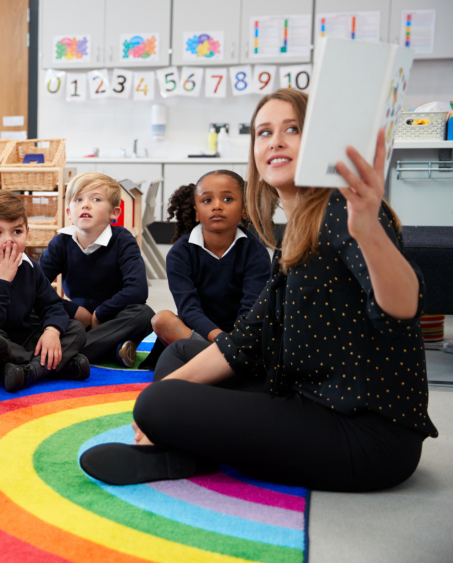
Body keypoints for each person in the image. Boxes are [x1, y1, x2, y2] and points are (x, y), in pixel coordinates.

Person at [81, 88, 437, 492]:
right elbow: (247, 341)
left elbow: (403, 309)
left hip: (365, 434)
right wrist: (169, 393)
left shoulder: (345, 211)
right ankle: (183, 448)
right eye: (264, 132)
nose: (276, 141)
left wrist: (369, 231)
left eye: (293, 129)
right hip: (309, 396)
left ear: (319, 140)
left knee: (157, 403)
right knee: (178, 358)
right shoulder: (298, 229)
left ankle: (183, 445)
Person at [0, 190, 90, 392]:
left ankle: (30, 371)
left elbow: (52, 305)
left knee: (74, 328)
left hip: (24, 338)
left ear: (27, 232)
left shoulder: (30, 267)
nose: (8, 240)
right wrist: (2, 280)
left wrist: (52, 332)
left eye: (17, 232)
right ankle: (57, 365)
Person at [149, 171, 271, 374]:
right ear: (196, 212)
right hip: (197, 334)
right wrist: (220, 340)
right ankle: (226, 364)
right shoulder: (180, 252)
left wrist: (235, 340)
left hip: (242, 337)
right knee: (162, 320)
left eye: (227, 199)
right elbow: (188, 309)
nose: (217, 205)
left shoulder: (255, 252)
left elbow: (252, 308)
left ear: (244, 209)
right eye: (207, 200)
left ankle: (216, 365)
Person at [39, 172, 154, 367]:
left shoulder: (123, 240)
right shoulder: (60, 243)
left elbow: (138, 290)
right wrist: (74, 310)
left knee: (144, 314)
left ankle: (68, 354)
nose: (85, 205)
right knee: (33, 310)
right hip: (77, 319)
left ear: (114, 213)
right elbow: (35, 287)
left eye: (96, 199)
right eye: (78, 199)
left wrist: (100, 314)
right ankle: (113, 351)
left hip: (113, 317)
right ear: (69, 213)